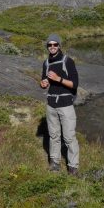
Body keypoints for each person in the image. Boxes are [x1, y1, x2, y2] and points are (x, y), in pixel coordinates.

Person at [39, 34, 79, 175]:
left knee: (69, 137)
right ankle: (54, 162)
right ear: (47, 47)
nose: (52, 47)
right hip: (51, 105)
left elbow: (74, 84)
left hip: (66, 105)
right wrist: (43, 84)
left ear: (59, 46)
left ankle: (73, 167)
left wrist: (59, 79)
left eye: (55, 44)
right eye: (49, 45)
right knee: (54, 135)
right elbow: (44, 81)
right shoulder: (46, 63)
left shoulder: (68, 61)